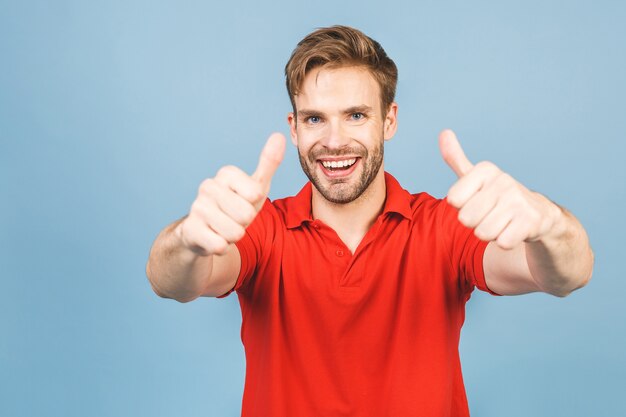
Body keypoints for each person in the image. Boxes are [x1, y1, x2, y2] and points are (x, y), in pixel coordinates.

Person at [146, 25, 594, 417]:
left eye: (356, 116)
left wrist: (548, 224)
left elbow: (565, 275)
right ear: (294, 128)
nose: (334, 141)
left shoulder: (442, 226)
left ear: (389, 121)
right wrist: (187, 240)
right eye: (315, 119)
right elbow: (173, 282)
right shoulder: (263, 229)